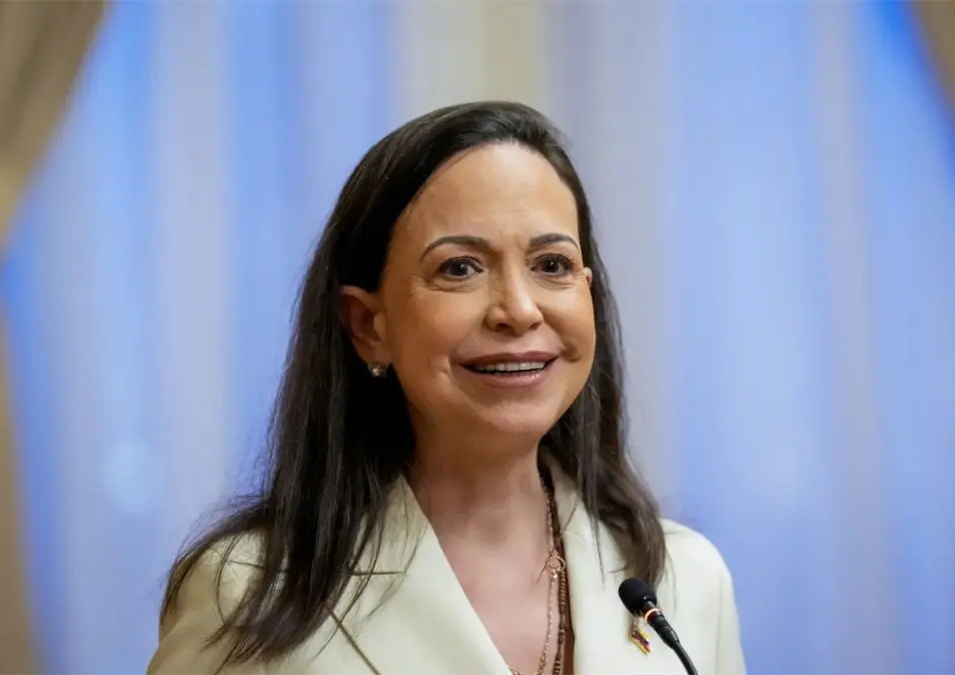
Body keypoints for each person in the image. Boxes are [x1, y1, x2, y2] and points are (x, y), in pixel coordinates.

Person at [147, 101, 746, 675]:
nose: (519, 310)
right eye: (459, 268)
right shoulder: (249, 592)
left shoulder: (687, 579)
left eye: (552, 265)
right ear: (368, 326)